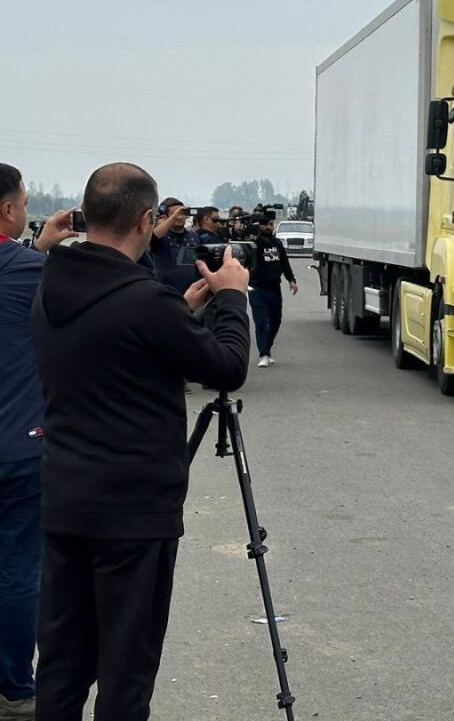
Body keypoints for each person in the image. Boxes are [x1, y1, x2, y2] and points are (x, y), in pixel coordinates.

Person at [31, 162, 251, 721]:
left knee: (62, 662)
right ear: (145, 220)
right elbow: (226, 368)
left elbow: (109, 340)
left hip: (65, 498)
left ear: (87, 214)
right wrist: (231, 298)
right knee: (126, 669)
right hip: (133, 512)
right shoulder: (145, 301)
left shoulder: (53, 281)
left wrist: (181, 313)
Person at [0, 165, 77, 719]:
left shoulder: (29, 262)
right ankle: (13, 687)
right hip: (18, 447)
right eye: (24, 203)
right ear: (8, 210)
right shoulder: (33, 272)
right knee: (19, 568)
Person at [249, 215, 299, 367]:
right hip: (257, 288)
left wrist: (291, 280)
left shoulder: (277, 243)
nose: (268, 227)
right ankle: (263, 354)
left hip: (274, 288)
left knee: (275, 320)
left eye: (270, 224)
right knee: (261, 322)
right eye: (264, 224)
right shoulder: (253, 245)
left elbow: (284, 262)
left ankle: (267, 348)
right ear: (258, 226)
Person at [149, 197, 198, 291]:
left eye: (182, 213)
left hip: (190, 288)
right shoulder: (162, 236)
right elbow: (153, 238)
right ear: (166, 217)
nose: (180, 217)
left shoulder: (193, 236)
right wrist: (172, 218)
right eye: (175, 214)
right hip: (166, 289)